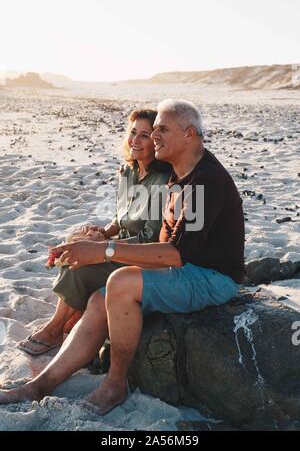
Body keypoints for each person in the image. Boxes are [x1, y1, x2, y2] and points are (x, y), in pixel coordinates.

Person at [0, 99, 245, 415]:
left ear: (189, 134)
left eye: (162, 129)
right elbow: (163, 242)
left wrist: (105, 251)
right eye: (152, 128)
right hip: (186, 269)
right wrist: (101, 246)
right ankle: (41, 385)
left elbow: (176, 255)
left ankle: (115, 385)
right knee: (100, 299)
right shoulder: (180, 173)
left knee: (121, 281)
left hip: (213, 278)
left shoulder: (204, 180)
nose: (154, 135)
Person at [18, 108, 172, 355]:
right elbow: (121, 218)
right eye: (133, 132)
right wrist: (102, 233)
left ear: (155, 142)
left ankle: (55, 328)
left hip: (142, 256)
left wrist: (101, 247)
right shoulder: (128, 170)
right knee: (74, 241)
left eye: (145, 135)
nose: (136, 140)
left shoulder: (163, 179)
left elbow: (150, 239)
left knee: (80, 262)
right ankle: (71, 316)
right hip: (119, 242)